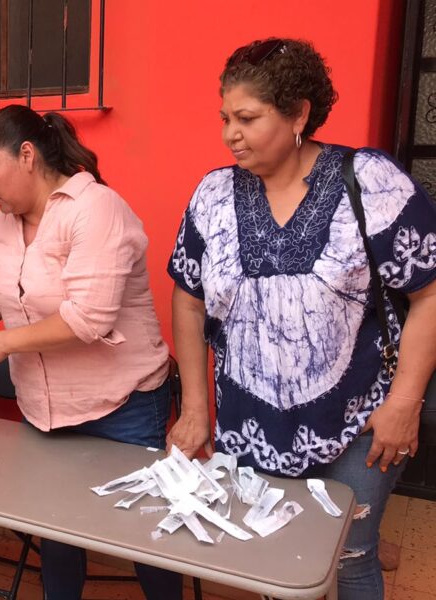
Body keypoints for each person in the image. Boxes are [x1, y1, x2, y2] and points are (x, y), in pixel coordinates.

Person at [167, 38, 436, 599]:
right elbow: (188, 299)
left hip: (361, 423)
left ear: (298, 114)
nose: (229, 134)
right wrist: (196, 408)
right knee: (274, 555)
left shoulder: (370, 182)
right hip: (249, 427)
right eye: (224, 119)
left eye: (247, 118)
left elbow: (430, 293)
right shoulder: (213, 195)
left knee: (351, 557)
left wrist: (405, 403)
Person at [0, 104, 182, 600]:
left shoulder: (96, 209)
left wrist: (3, 343)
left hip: (123, 403)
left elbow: (90, 317)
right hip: (45, 407)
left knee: (147, 532)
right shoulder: (4, 223)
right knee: (55, 526)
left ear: (26, 155)